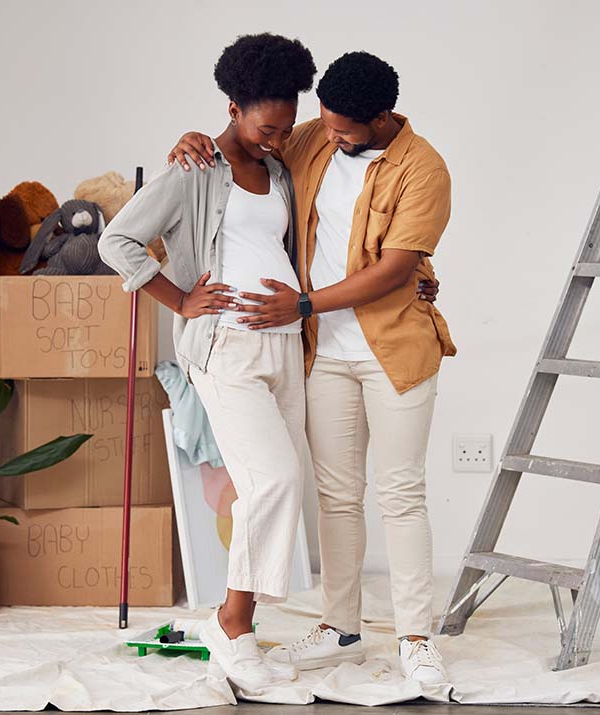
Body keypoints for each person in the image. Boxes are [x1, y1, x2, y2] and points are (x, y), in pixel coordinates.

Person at [169, 50, 456, 685]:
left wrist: (300, 304)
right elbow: (245, 141)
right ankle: (341, 627)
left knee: (401, 493)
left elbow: (396, 268)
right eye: (321, 123)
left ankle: (415, 637)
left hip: (394, 350)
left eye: (341, 129)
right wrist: (194, 142)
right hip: (323, 355)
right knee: (335, 494)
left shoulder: (424, 168)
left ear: (379, 119)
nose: (325, 135)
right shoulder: (310, 139)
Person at [98, 33, 318, 692]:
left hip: (283, 341)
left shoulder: (279, 169)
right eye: (266, 125)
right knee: (273, 478)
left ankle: (238, 624)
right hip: (225, 345)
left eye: (287, 125)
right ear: (233, 106)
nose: (278, 137)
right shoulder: (195, 169)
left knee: (283, 480)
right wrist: (180, 299)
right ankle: (232, 623)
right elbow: (119, 240)